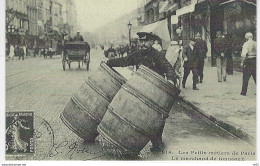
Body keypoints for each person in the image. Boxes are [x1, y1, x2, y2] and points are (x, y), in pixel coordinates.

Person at [106, 32, 177, 152]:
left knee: (158, 117)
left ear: (151, 42)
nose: (143, 44)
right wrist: (109, 63)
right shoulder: (137, 55)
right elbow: (124, 61)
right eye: (141, 41)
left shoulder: (157, 55)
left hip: (156, 91)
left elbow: (168, 67)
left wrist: (170, 80)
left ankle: (157, 141)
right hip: (141, 89)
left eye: (146, 41)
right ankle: (133, 139)